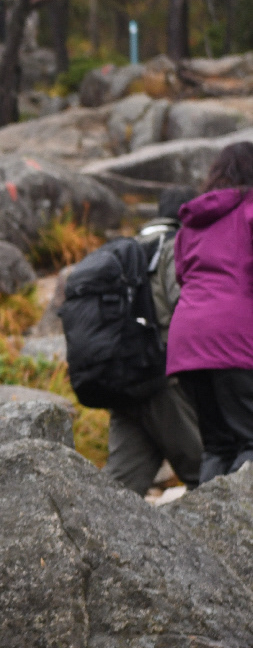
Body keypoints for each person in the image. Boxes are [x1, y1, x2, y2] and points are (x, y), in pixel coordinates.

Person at [104, 185, 203, 495]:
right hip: (163, 381)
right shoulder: (175, 246)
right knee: (210, 477)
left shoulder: (125, 249)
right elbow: (183, 304)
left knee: (118, 490)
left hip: (122, 382)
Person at [166, 140, 253, 481]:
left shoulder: (191, 223)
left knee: (217, 446)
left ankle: (206, 529)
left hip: (187, 344)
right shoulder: (248, 211)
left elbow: (182, 276)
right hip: (235, 339)